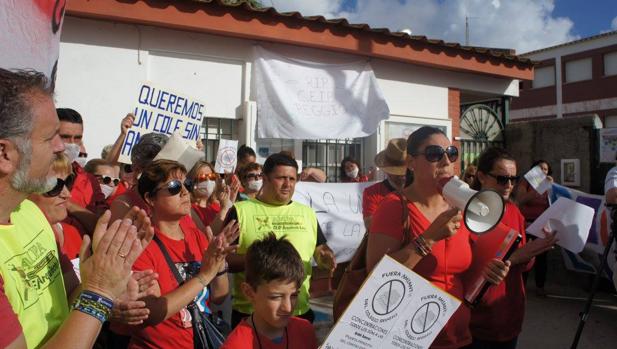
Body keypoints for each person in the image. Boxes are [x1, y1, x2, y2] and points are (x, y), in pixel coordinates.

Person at [0, 68, 149, 349]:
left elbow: (70, 298)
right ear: (4, 154)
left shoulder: (31, 213)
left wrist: (107, 285)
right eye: (49, 137)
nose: (63, 148)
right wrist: (100, 290)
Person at [367, 126, 510, 349]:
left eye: (451, 153)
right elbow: (376, 276)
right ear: (412, 163)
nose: (445, 161)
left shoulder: (459, 206)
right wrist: (429, 238)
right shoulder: (395, 207)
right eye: (434, 154)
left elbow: (458, 273)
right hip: (409, 340)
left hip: (460, 337)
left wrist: (488, 275)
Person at [128, 159, 239, 349]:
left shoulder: (198, 236)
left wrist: (219, 264)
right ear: (150, 198)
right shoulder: (140, 243)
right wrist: (203, 276)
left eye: (187, 184)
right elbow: (152, 312)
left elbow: (219, 295)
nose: (185, 192)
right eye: (173, 187)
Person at [226, 153, 336, 327]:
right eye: (281, 178)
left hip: (298, 312)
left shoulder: (307, 213)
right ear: (265, 178)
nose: (288, 185)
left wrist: (325, 257)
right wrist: (264, 261)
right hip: (251, 315)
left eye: (292, 179)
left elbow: (319, 249)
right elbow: (226, 261)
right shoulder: (240, 211)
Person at [468, 148, 557, 349]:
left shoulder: (514, 211)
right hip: (478, 322)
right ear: (481, 177)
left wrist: (535, 249)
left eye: (513, 179)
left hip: (511, 317)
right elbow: (470, 266)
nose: (508, 185)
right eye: (501, 179)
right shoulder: (468, 212)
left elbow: (525, 267)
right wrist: (515, 257)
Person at [222, 233, 317, 349]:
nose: (287, 307)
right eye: (276, 297)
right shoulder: (236, 345)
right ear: (249, 292)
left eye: (294, 295)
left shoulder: (305, 331)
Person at [514, 160, 553, 296]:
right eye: (540, 168)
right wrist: (538, 188)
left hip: (542, 225)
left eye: (546, 169)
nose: (543, 171)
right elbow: (521, 200)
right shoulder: (526, 182)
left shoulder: (549, 185)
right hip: (527, 224)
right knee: (526, 256)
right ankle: (521, 287)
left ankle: (540, 287)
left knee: (542, 257)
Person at [362, 138, 407, 228]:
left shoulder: (422, 189)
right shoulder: (372, 192)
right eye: (397, 172)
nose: (403, 175)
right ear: (387, 170)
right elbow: (371, 226)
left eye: (407, 170)